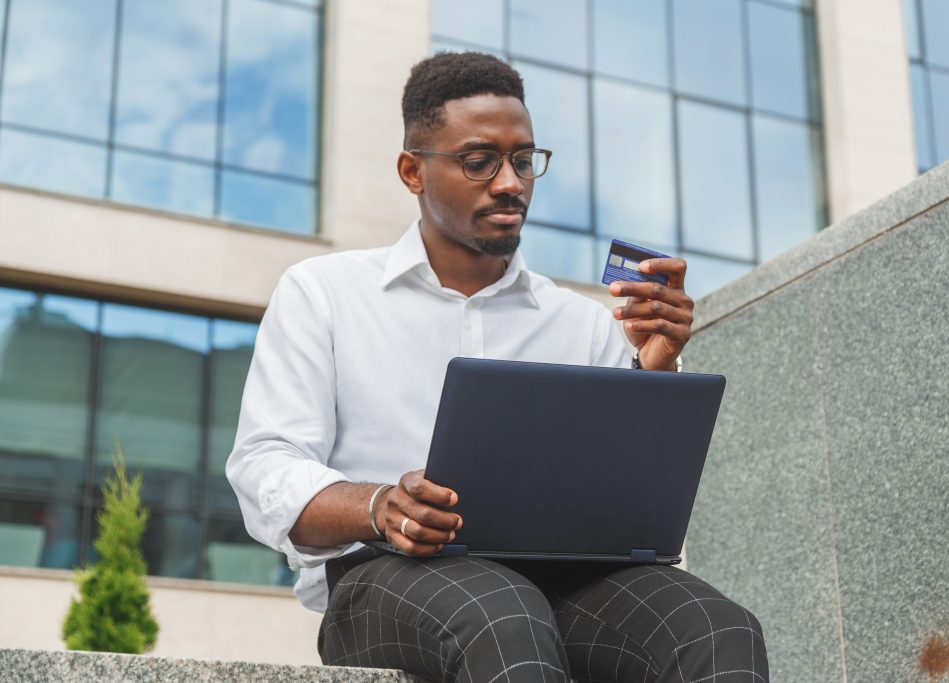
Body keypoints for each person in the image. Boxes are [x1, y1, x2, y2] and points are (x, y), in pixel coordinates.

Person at [227, 51, 768, 683]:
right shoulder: (323, 292)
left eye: (523, 159)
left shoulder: (582, 322)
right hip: (382, 579)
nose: (510, 182)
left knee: (718, 628)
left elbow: (627, 501)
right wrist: (381, 504)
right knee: (502, 618)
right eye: (478, 160)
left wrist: (654, 372)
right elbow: (266, 464)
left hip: (568, 585)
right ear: (412, 171)